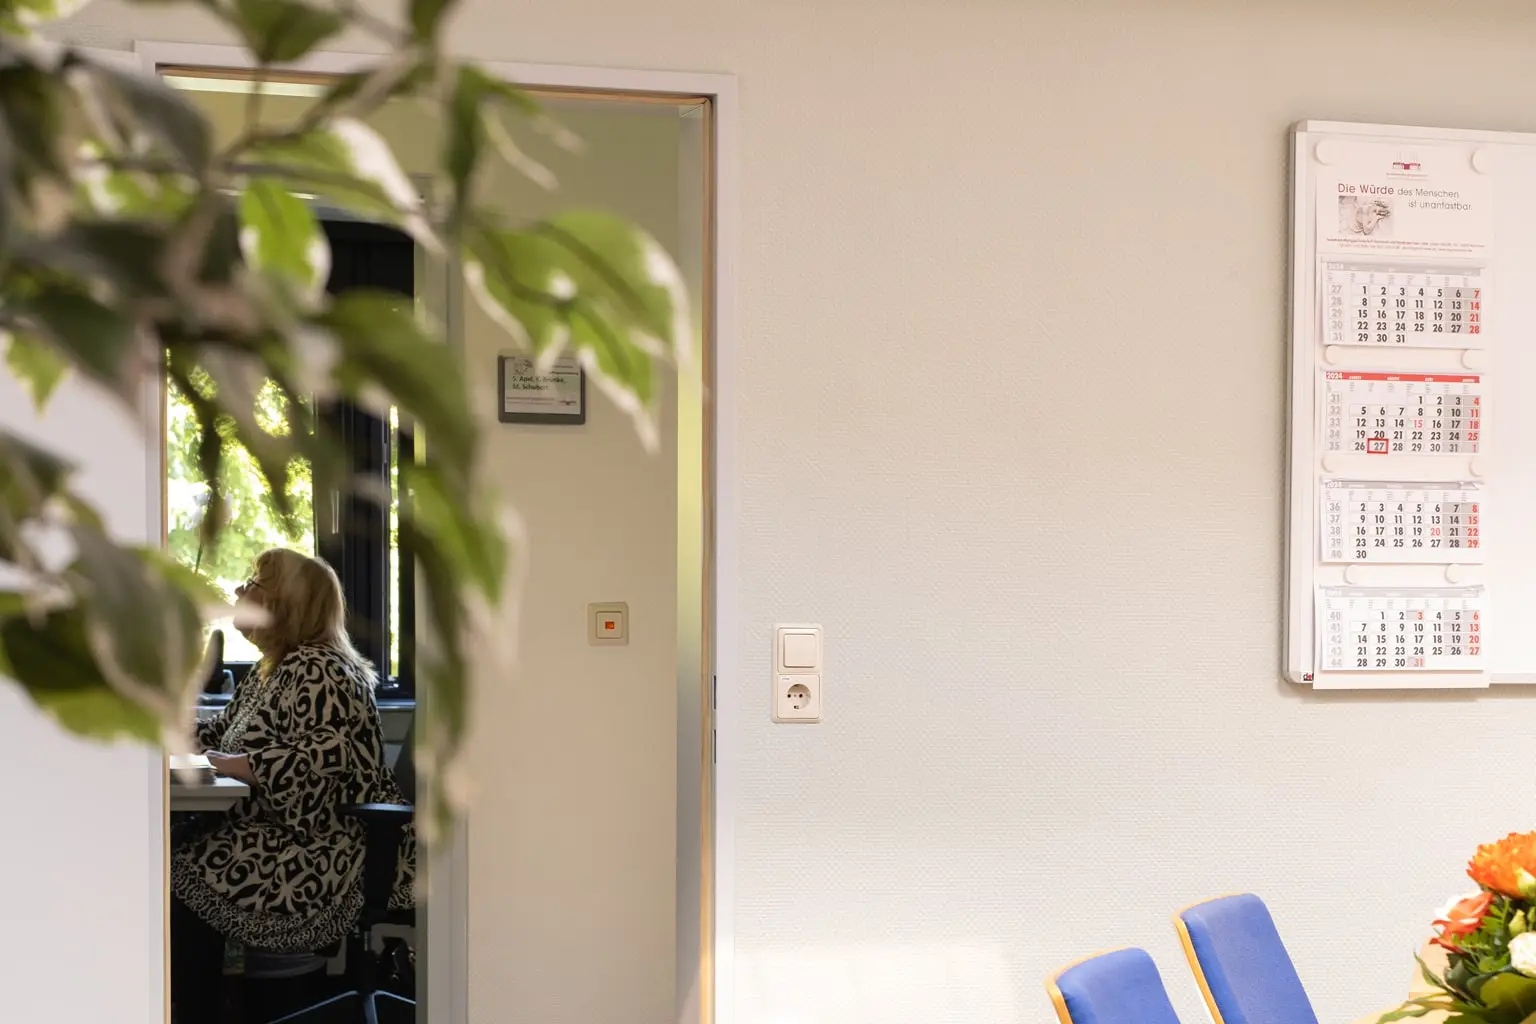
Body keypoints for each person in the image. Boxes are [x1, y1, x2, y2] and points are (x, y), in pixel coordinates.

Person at [170, 548, 416, 1024]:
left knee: (180, 873)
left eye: (254, 583)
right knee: (176, 851)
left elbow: (324, 760)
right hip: (281, 832)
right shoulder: (272, 670)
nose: (241, 591)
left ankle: (193, 1012)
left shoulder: (321, 669)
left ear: (286, 605)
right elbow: (216, 733)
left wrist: (245, 764)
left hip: (322, 845)